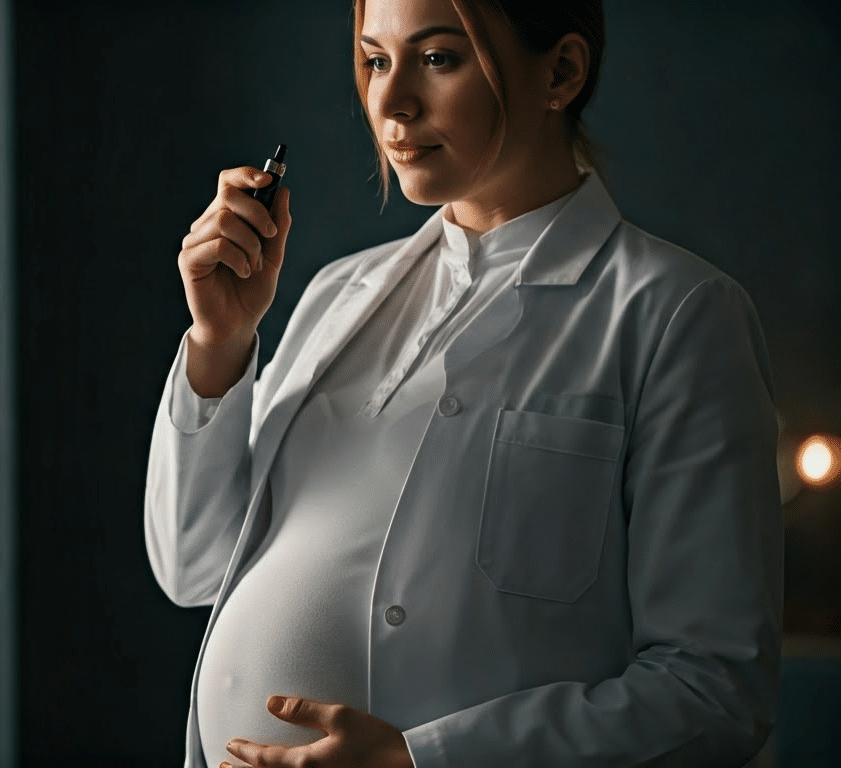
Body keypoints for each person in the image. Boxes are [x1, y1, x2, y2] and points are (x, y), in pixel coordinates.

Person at [143, 0, 783, 766]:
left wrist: (423, 761)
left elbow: (713, 692)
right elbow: (194, 569)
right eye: (376, 60)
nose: (390, 102)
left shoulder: (678, 315)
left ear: (562, 71)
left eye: (438, 58)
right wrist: (219, 344)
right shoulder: (335, 293)